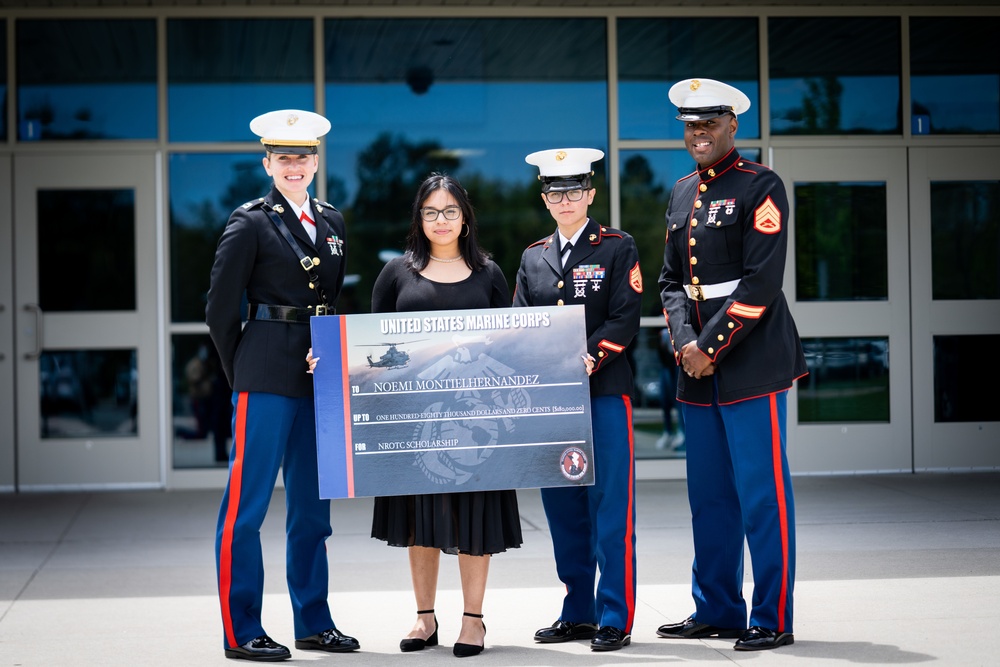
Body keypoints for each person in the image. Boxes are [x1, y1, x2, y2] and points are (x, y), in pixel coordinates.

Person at [309, 173, 522, 658]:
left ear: (465, 217)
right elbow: (373, 349)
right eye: (431, 212)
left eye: (450, 211)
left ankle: (473, 621)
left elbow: (509, 347)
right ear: (418, 219)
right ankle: (424, 618)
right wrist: (332, 363)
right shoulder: (396, 273)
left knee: (475, 517)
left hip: (471, 423)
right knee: (419, 519)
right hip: (414, 423)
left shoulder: (489, 274)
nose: (441, 220)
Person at [656, 78, 807, 651]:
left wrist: (708, 347)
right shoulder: (679, 192)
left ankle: (773, 616)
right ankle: (718, 608)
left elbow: (762, 282)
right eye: (691, 123)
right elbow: (672, 282)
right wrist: (685, 343)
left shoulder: (760, 185)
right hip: (696, 367)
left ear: (732, 125)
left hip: (751, 362)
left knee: (762, 496)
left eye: (710, 121)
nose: (699, 132)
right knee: (710, 497)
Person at [205, 109, 358, 661]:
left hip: (319, 376)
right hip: (266, 371)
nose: (294, 166)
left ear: (316, 162)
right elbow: (220, 309)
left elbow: (332, 301)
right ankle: (241, 628)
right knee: (246, 509)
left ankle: (313, 621)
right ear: (268, 162)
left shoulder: (335, 222)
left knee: (313, 510)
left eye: (303, 157)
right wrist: (241, 371)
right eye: (283, 157)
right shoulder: (249, 221)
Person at [514, 148, 642, 652]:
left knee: (610, 506)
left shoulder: (617, 247)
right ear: (544, 200)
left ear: (590, 194)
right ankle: (578, 611)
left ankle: (614, 615)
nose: (564, 199)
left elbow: (624, 318)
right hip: (554, 404)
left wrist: (586, 360)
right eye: (554, 192)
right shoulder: (532, 256)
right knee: (564, 508)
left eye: (573, 190)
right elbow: (523, 325)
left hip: (604, 393)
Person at [655, 327, 685, 455]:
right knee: (665, 399)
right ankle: (668, 431)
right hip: (666, 363)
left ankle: (681, 432)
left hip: (678, 361)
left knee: (678, 398)